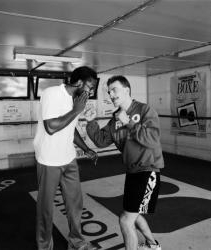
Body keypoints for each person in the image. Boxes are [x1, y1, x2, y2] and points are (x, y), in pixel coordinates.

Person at [85, 75, 164, 250]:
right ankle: (153, 245)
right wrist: (91, 122)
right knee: (132, 214)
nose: (111, 95)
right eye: (109, 91)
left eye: (114, 90)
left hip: (147, 171)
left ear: (127, 90)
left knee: (126, 220)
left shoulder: (144, 110)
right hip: (132, 172)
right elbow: (101, 140)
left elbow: (152, 139)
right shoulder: (115, 119)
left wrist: (128, 123)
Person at [33, 66, 99, 250]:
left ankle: (76, 242)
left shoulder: (75, 100)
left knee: (75, 204)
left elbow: (71, 128)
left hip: (68, 158)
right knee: (46, 209)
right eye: (90, 86)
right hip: (49, 160)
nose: (91, 91)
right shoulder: (51, 93)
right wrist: (76, 110)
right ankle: (44, 246)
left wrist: (86, 148)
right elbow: (51, 127)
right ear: (78, 82)